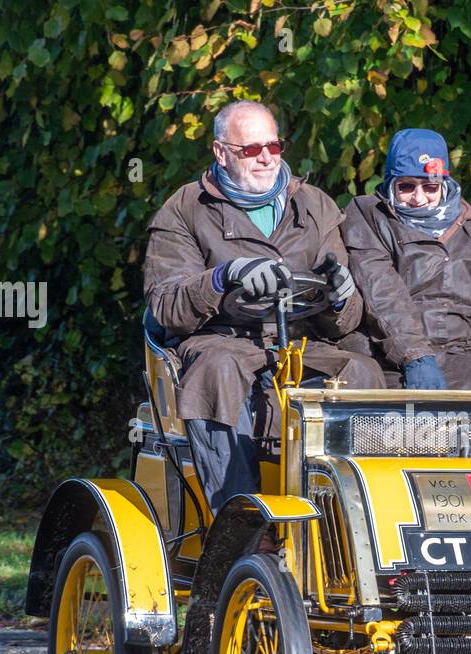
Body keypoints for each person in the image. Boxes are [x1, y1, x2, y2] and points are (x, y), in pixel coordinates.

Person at [143, 101, 384, 513]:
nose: (267, 158)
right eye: (251, 149)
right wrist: (223, 276)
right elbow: (165, 304)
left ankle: (358, 517)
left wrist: (341, 296)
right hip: (222, 342)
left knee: (363, 370)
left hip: (303, 343)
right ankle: (238, 521)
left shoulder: (315, 204)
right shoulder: (184, 209)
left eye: (274, 146)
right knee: (216, 371)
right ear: (221, 153)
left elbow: (345, 322)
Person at [341, 128, 471, 390]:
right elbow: (381, 293)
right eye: (406, 187)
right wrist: (415, 356)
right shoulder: (369, 217)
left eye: (430, 187)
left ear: (443, 185)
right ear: (390, 183)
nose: (419, 198)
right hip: (391, 357)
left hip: (469, 357)